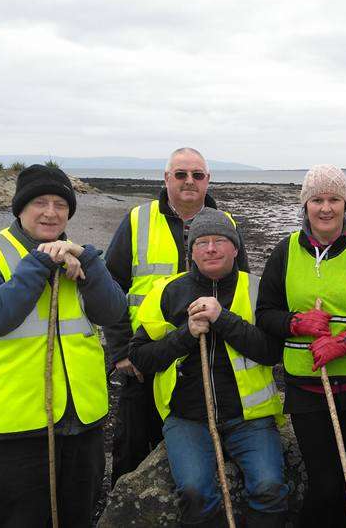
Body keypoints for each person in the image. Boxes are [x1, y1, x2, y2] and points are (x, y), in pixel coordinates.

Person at [0, 164, 127, 526]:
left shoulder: (79, 257)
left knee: (78, 518)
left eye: (60, 205)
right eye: (40, 202)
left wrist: (88, 261)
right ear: (20, 208)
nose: (51, 212)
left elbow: (113, 312)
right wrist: (41, 261)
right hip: (16, 426)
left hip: (83, 422)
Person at [256, 164, 346, 527]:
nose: (325, 208)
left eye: (334, 199)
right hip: (307, 390)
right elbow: (265, 313)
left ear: (345, 205)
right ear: (305, 205)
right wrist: (295, 323)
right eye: (317, 199)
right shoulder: (285, 251)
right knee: (325, 483)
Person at [128, 208, 288, 528]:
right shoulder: (167, 291)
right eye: (202, 242)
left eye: (219, 241)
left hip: (249, 417)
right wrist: (186, 335)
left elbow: (272, 352)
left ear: (235, 248)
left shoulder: (258, 289)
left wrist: (222, 319)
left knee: (269, 487)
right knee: (194, 492)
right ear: (192, 252)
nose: (211, 249)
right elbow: (141, 357)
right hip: (187, 418)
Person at [104, 147, 249, 485]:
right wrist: (121, 351)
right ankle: (123, 508)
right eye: (181, 174)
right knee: (132, 447)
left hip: (203, 360)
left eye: (197, 175)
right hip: (145, 357)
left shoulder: (226, 223)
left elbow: (242, 287)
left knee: (195, 452)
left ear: (207, 180)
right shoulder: (138, 220)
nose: (189, 181)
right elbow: (110, 290)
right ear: (166, 178)